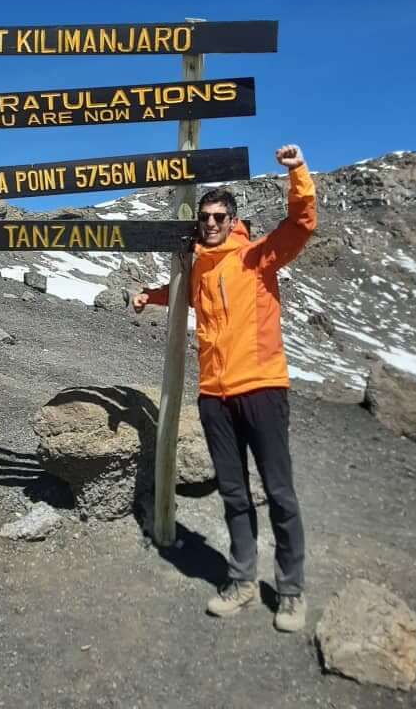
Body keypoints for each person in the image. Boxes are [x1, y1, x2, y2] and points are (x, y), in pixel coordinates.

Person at [132, 144, 316, 632]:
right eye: (205, 217)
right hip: (214, 396)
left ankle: (291, 591)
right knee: (234, 494)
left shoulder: (255, 257)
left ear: (233, 220)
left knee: (279, 493)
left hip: (262, 388)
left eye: (219, 216)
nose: (211, 223)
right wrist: (149, 296)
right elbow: (185, 296)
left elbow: (301, 224)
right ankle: (242, 580)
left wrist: (298, 172)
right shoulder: (198, 268)